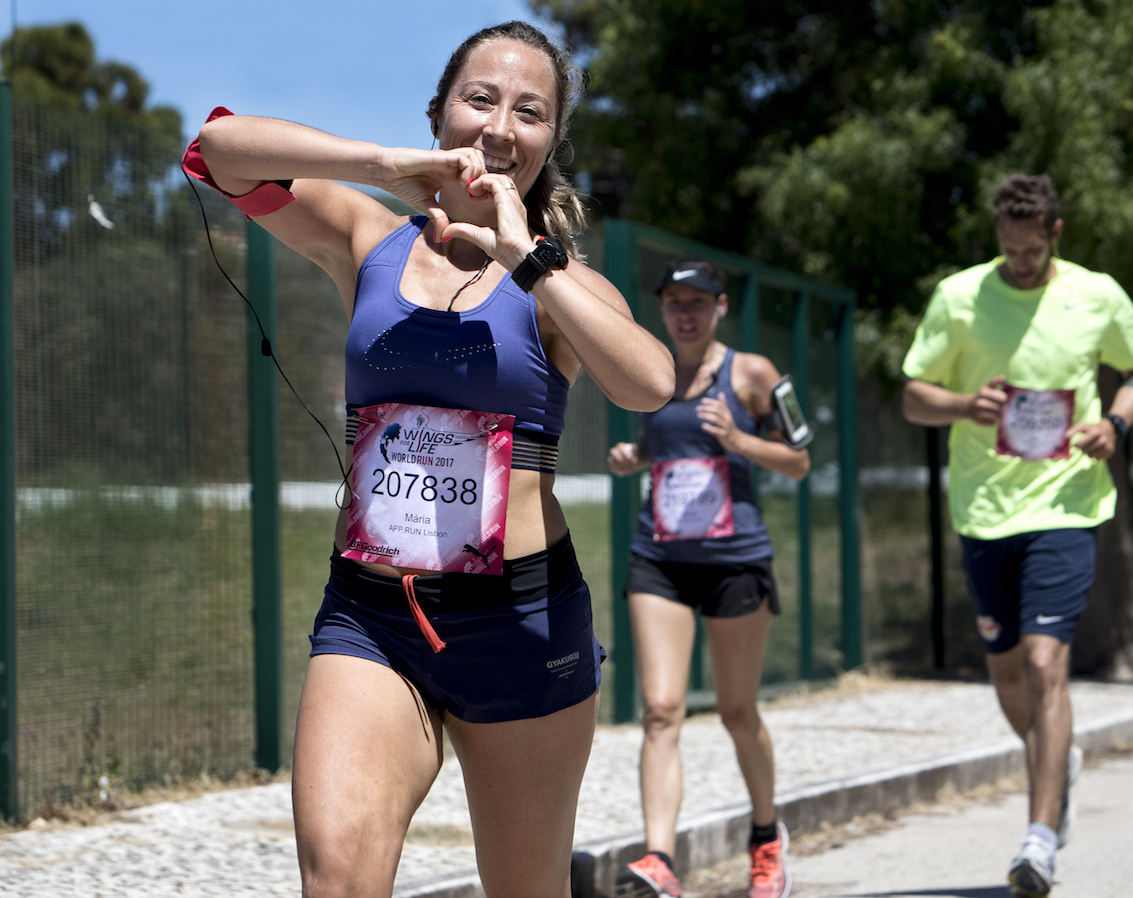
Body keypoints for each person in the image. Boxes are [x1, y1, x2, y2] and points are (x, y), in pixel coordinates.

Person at [183, 21, 674, 898]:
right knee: (337, 880)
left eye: (531, 112)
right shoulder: (370, 238)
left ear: (550, 143)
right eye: (480, 98)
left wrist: (530, 260)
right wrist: (383, 165)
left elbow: (649, 382)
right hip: (374, 616)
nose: (500, 125)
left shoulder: (560, 284)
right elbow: (219, 151)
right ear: (440, 111)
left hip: (522, 626)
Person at [900, 174, 1133, 897]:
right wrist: (962, 403)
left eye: (1029, 250)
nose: (1018, 262)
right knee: (1010, 674)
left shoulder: (1095, 293)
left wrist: (1116, 423)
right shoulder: (959, 296)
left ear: (1055, 232)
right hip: (984, 510)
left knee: (1047, 662)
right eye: (1007, 251)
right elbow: (914, 394)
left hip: (1067, 503)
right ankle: (1058, 756)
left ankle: (1040, 837)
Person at [607, 258, 810, 898]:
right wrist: (635, 456)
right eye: (673, 302)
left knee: (736, 710)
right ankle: (659, 860)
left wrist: (742, 442)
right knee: (661, 709)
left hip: (734, 562)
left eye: (697, 302)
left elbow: (801, 460)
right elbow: (667, 446)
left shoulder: (751, 373)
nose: (684, 313)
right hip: (660, 557)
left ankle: (766, 837)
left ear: (720, 307)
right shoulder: (653, 370)